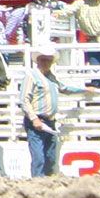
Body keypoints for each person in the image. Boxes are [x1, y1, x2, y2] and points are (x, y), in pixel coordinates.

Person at [21, 42, 83, 177]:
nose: (46, 62)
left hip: (50, 121)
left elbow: (64, 88)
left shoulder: (51, 77)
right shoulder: (31, 76)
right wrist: (34, 118)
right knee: (39, 158)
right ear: (38, 60)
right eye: (43, 59)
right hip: (37, 121)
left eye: (48, 60)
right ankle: (38, 185)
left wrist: (83, 90)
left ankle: (48, 184)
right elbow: (24, 100)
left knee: (50, 157)